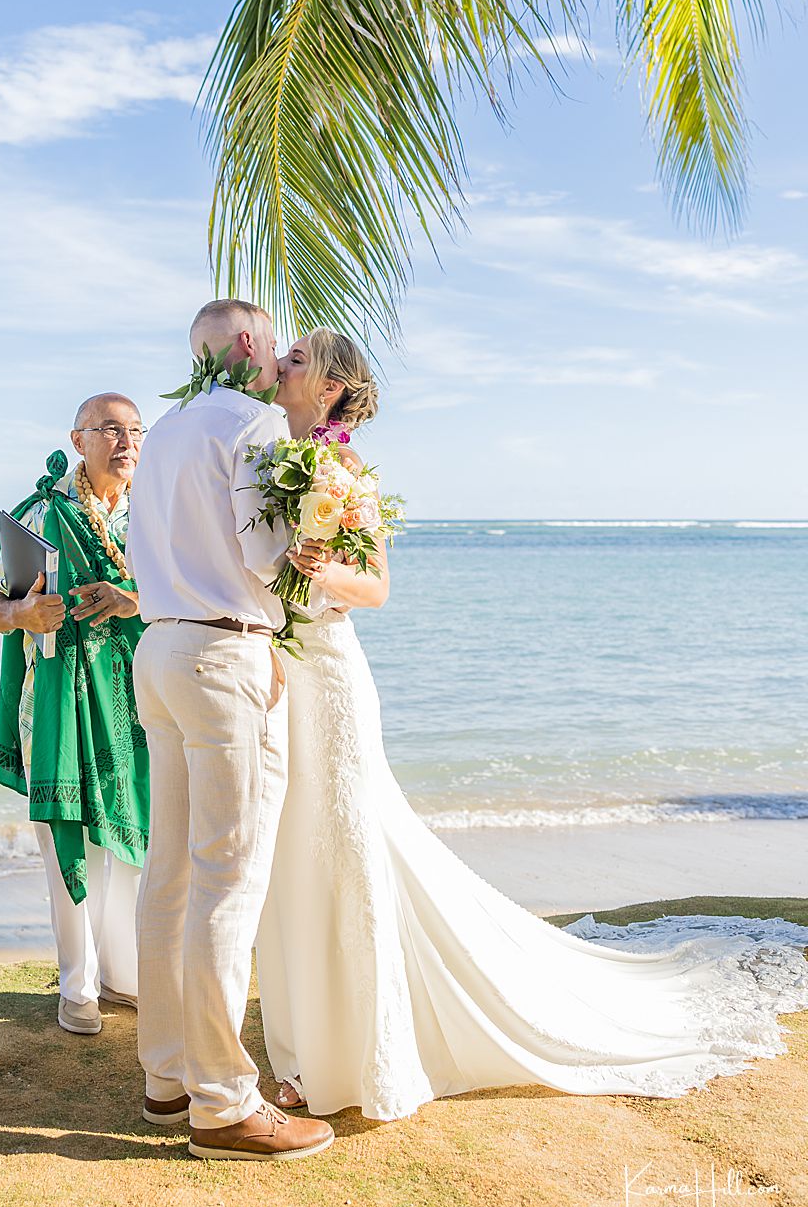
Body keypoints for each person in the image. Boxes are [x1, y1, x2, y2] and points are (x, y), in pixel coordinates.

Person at [257, 328, 808, 1120]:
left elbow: (375, 586)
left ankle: (353, 1046)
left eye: (298, 360)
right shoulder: (270, 463)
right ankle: (306, 1032)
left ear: (332, 389)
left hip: (333, 678)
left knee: (342, 846)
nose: (281, 366)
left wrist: (322, 567)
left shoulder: (344, 475)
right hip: (281, 673)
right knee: (292, 847)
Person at [126, 299, 334, 1162]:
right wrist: (312, 551)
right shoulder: (251, 425)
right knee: (228, 876)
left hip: (159, 649)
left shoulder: (167, 431)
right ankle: (223, 1102)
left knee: (170, 870)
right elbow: (261, 555)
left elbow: (147, 555)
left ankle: (167, 1075)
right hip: (219, 659)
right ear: (249, 346)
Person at [0, 393, 148, 1036]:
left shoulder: (158, 514)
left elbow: (188, 594)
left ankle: (124, 976)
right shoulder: (42, 514)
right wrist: (20, 614)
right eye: (109, 430)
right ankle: (77, 984)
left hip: (137, 701)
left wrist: (132, 600)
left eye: (134, 431)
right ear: (78, 440)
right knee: (66, 840)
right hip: (54, 699)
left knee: (134, 840)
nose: (125, 442)